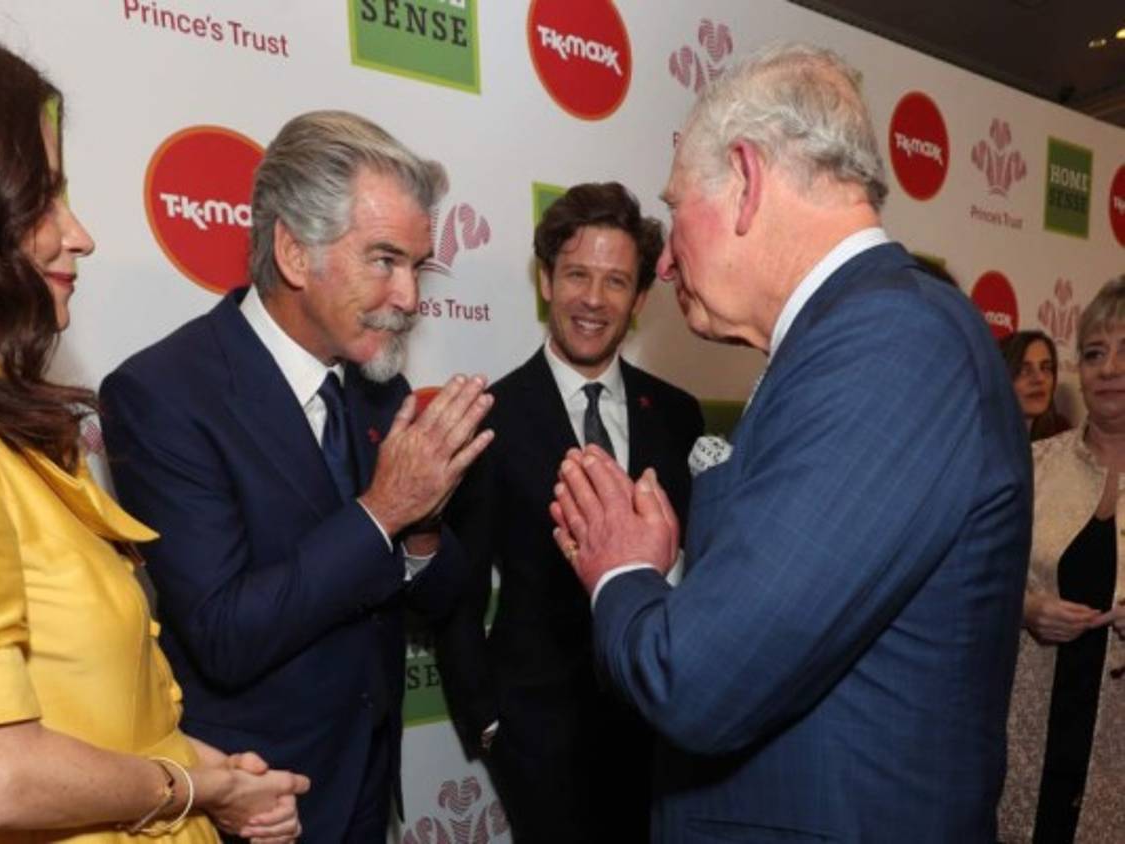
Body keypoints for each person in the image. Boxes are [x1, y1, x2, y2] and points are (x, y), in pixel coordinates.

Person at [550, 43, 1032, 841]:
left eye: (675, 213)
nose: (664, 261)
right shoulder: (848, 340)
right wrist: (675, 570)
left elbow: (698, 682)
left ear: (746, 180)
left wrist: (624, 570)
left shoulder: (891, 344)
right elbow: (795, 615)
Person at [0, 7, 308, 843]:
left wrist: (218, 776)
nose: (79, 235)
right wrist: (192, 790)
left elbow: (99, 719)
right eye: (41, 199)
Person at [100, 110, 494, 844]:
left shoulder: (378, 387)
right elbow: (223, 632)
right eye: (384, 260)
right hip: (253, 800)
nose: (409, 298)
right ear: (291, 250)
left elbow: (446, 595)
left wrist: (425, 521)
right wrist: (382, 511)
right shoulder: (165, 394)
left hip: (369, 785)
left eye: (417, 266)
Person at [436, 182, 703, 843]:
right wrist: (487, 720)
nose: (593, 298)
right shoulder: (491, 419)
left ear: (640, 299)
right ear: (546, 280)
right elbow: (458, 590)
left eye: (616, 282)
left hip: (662, 725)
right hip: (537, 735)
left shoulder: (676, 413)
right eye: (577, 274)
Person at [998, 278, 1125, 844]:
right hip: (1027, 745)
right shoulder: (1032, 467)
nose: (1109, 368)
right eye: (1095, 353)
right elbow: (975, 582)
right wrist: (1026, 608)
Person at [999, 330, 1072, 441]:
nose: (1039, 379)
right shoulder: (978, 441)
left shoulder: (1063, 436)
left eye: (1046, 368)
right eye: (1024, 370)